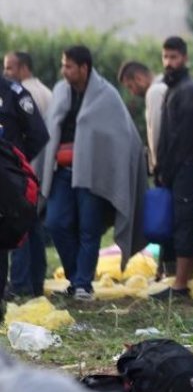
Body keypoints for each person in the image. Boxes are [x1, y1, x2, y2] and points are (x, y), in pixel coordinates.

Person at [40, 45, 148, 301]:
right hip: (62, 172)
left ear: (83, 68)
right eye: (63, 65)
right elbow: (49, 128)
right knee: (56, 222)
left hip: (93, 174)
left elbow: (123, 134)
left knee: (89, 229)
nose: (63, 70)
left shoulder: (106, 95)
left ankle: (82, 284)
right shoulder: (59, 91)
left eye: (68, 66)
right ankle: (74, 274)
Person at [149, 36, 193, 300]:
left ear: (184, 58)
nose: (169, 62)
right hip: (174, 170)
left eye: (173, 57)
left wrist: (168, 170)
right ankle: (180, 279)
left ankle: (181, 285)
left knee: (184, 225)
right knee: (177, 224)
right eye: (165, 57)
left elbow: (184, 139)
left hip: (187, 169)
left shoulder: (189, 91)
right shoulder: (172, 88)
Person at [3, 51, 51, 300]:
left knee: (18, 227)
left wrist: (16, 162)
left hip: (11, 177)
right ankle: (27, 283)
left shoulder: (15, 94)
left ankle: (24, 284)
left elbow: (38, 135)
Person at [117, 60, 167, 173]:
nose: (132, 93)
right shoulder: (166, 85)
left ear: (139, 78)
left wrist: (155, 165)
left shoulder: (154, 92)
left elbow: (156, 132)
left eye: (130, 87)